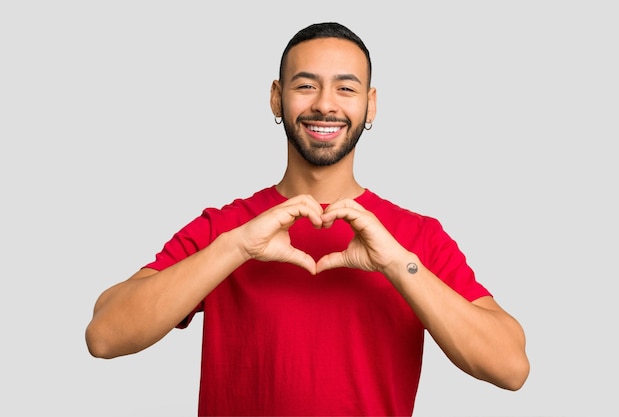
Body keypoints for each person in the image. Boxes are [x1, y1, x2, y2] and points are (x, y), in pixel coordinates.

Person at [85, 22, 530, 416]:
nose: (325, 105)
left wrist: (399, 265)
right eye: (305, 85)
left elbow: (510, 368)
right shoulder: (227, 227)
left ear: (370, 105)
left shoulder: (417, 239)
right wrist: (235, 248)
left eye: (346, 88)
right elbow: (104, 335)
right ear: (277, 98)